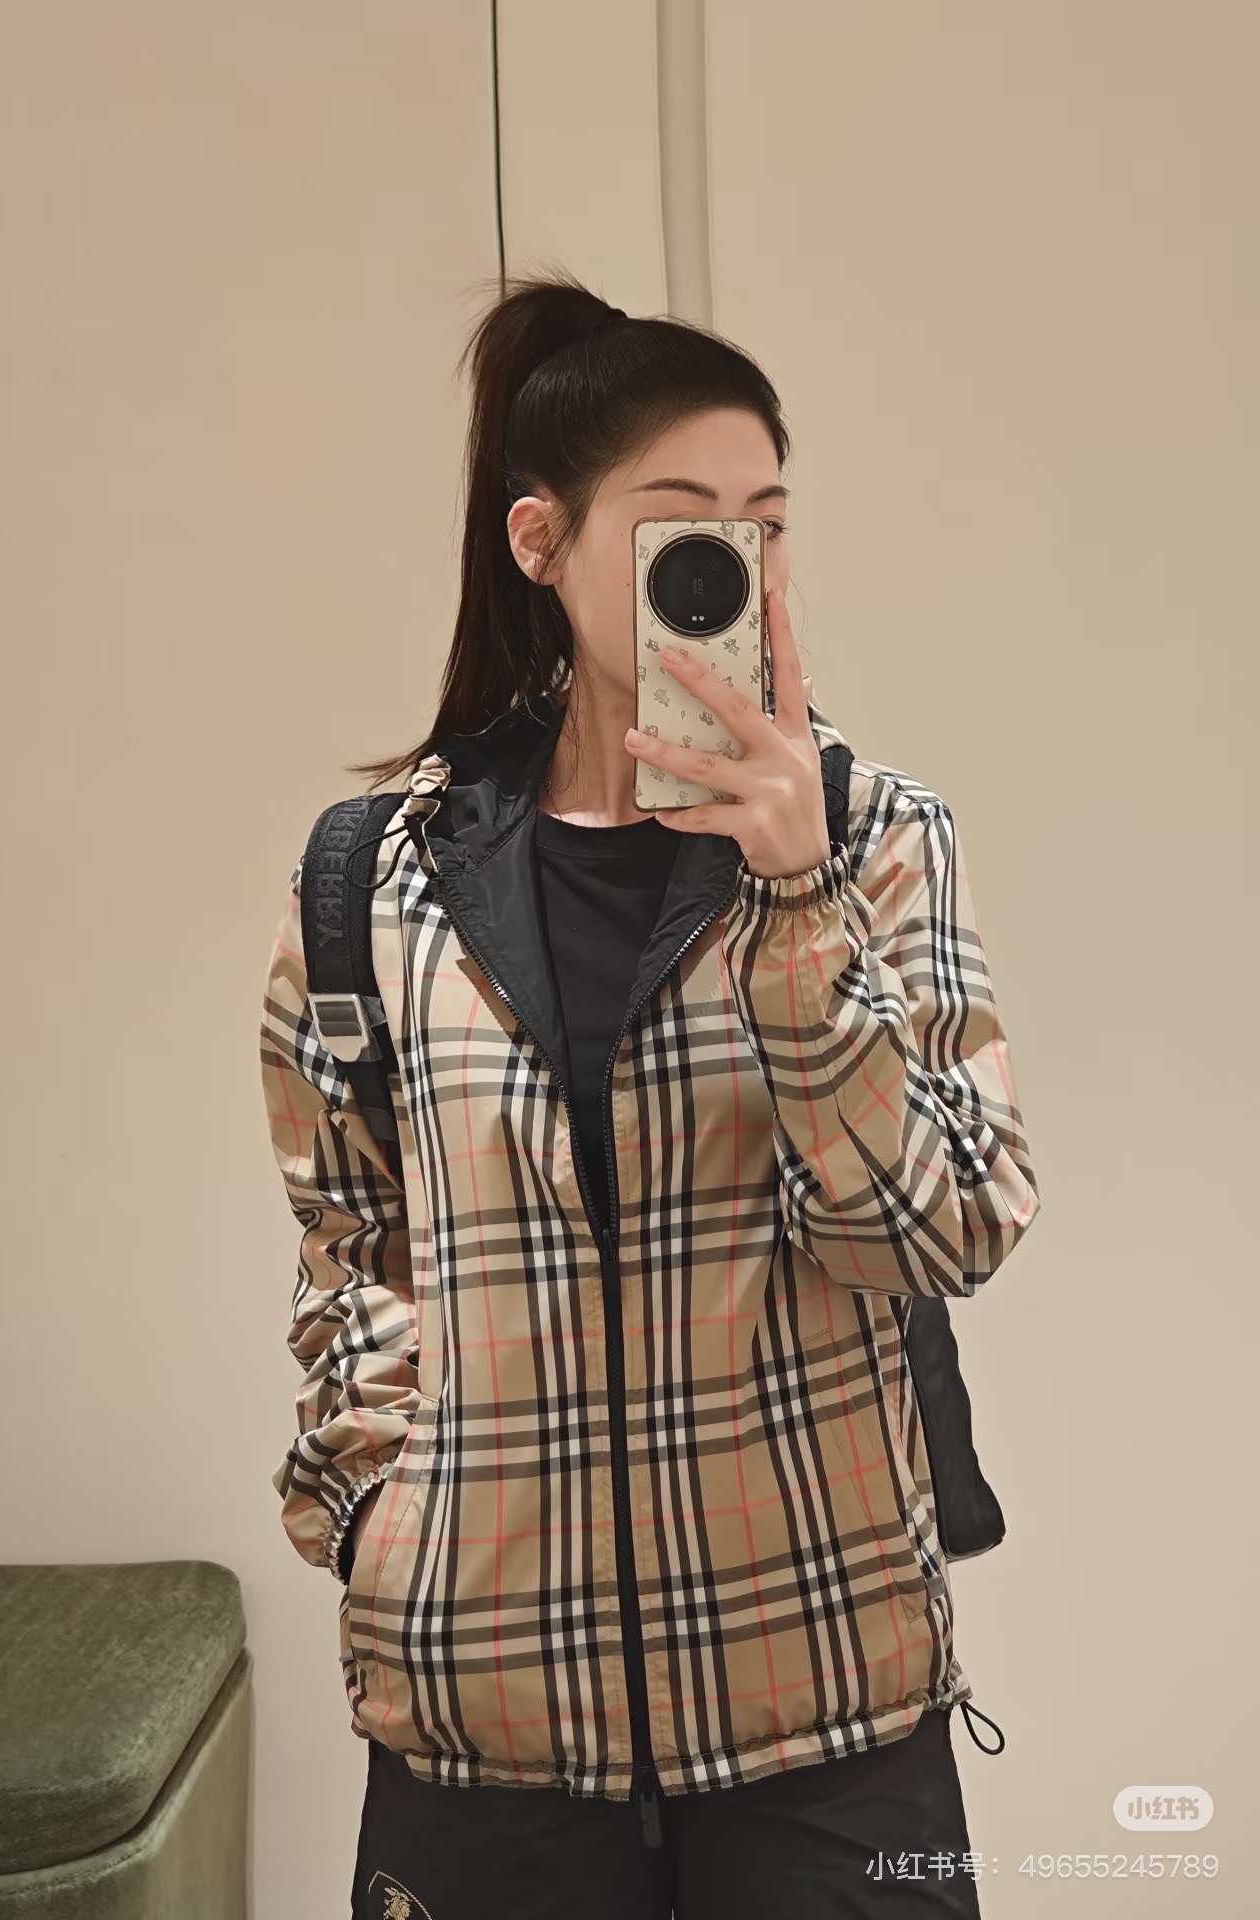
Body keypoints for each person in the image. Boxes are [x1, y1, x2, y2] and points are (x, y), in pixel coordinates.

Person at [260, 269, 1041, 1919]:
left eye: (767, 523)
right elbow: (353, 1242)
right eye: (683, 520)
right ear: (541, 542)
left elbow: (949, 1231)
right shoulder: (371, 882)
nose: (729, 559)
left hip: (822, 1711)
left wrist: (797, 902)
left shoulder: (877, 840)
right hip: (486, 1739)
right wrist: (383, 1511)